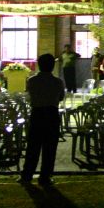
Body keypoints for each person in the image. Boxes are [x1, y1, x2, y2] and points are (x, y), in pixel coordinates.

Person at [18, 52, 65, 186]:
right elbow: (61, 97)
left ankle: (27, 175)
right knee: (50, 147)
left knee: (33, 146)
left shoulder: (32, 81)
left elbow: (29, 95)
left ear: (39, 65)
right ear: (52, 66)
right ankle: (45, 176)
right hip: (51, 113)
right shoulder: (58, 82)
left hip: (37, 113)